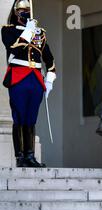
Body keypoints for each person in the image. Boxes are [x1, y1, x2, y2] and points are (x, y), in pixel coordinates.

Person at [2, 0, 56, 168]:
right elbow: (13, 49)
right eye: (22, 10)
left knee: (31, 118)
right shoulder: (8, 30)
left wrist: (50, 79)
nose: (25, 12)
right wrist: (27, 32)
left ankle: (30, 156)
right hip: (18, 76)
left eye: (27, 9)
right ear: (16, 13)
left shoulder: (40, 33)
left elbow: (49, 60)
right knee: (19, 116)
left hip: (35, 79)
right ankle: (20, 157)